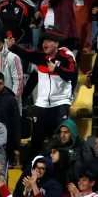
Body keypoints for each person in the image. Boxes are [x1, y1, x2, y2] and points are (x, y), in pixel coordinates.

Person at [7, 26, 78, 158]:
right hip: (42, 105)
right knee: (37, 139)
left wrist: (56, 69)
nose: (44, 44)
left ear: (56, 43)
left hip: (60, 103)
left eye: (48, 41)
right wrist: (13, 47)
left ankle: (65, 168)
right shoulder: (41, 57)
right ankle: (30, 168)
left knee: (62, 138)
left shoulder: (66, 57)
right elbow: (26, 53)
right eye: (43, 41)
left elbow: (72, 75)